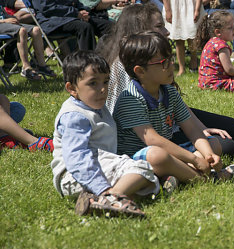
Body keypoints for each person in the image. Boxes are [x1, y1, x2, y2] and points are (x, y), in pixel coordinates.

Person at [100, 3, 234, 156]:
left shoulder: (160, 75)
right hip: (149, 134)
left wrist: (201, 129)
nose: (166, 32)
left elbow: (175, 104)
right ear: (141, 33)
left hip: (166, 119)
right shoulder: (126, 68)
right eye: (159, 26)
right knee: (226, 145)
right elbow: (145, 132)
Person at [113, 31, 234, 183]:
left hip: (169, 151)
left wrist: (209, 155)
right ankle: (210, 177)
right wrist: (196, 160)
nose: (171, 65)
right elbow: (154, 141)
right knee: (158, 156)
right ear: (140, 71)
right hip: (138, 159)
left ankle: (177, 175)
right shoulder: (130, 99)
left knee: (214, 144)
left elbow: (192, 129)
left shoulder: (169, 91)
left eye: (170, 59)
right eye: (163, 62)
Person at [51, 50, 158, 218]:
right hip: (74, 177)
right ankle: (109, 199)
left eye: (106, 81)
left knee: (145, 174)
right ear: (72, 88)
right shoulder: (74, 116)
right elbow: (77, 158)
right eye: (93, 83)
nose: (102, 89)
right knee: (141, 168)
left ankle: (102, 200)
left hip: (100, 166)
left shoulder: (95, 105)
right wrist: (102, 187)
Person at [163, 0, 204, 76]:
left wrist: (197, 9)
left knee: (192, 35)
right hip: (175, 4)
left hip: (190, 3)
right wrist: (168, 9)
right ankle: (181, 68)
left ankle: (193, 59)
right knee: (178, 38)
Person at [195, 10, 234, 91]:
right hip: (216, 84)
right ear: (218, 31)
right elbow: (229, 69)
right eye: (230, 28)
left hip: (205, 83)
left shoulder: (211, 42)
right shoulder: (221, 45)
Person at [0, 0, 56, 80]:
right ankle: (26, 68)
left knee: (36, 30)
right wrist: (5, 21)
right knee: (22, 31)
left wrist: (11, 18)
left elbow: (3, 12)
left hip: (6, 22)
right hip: (2, 23)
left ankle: (41, 65)